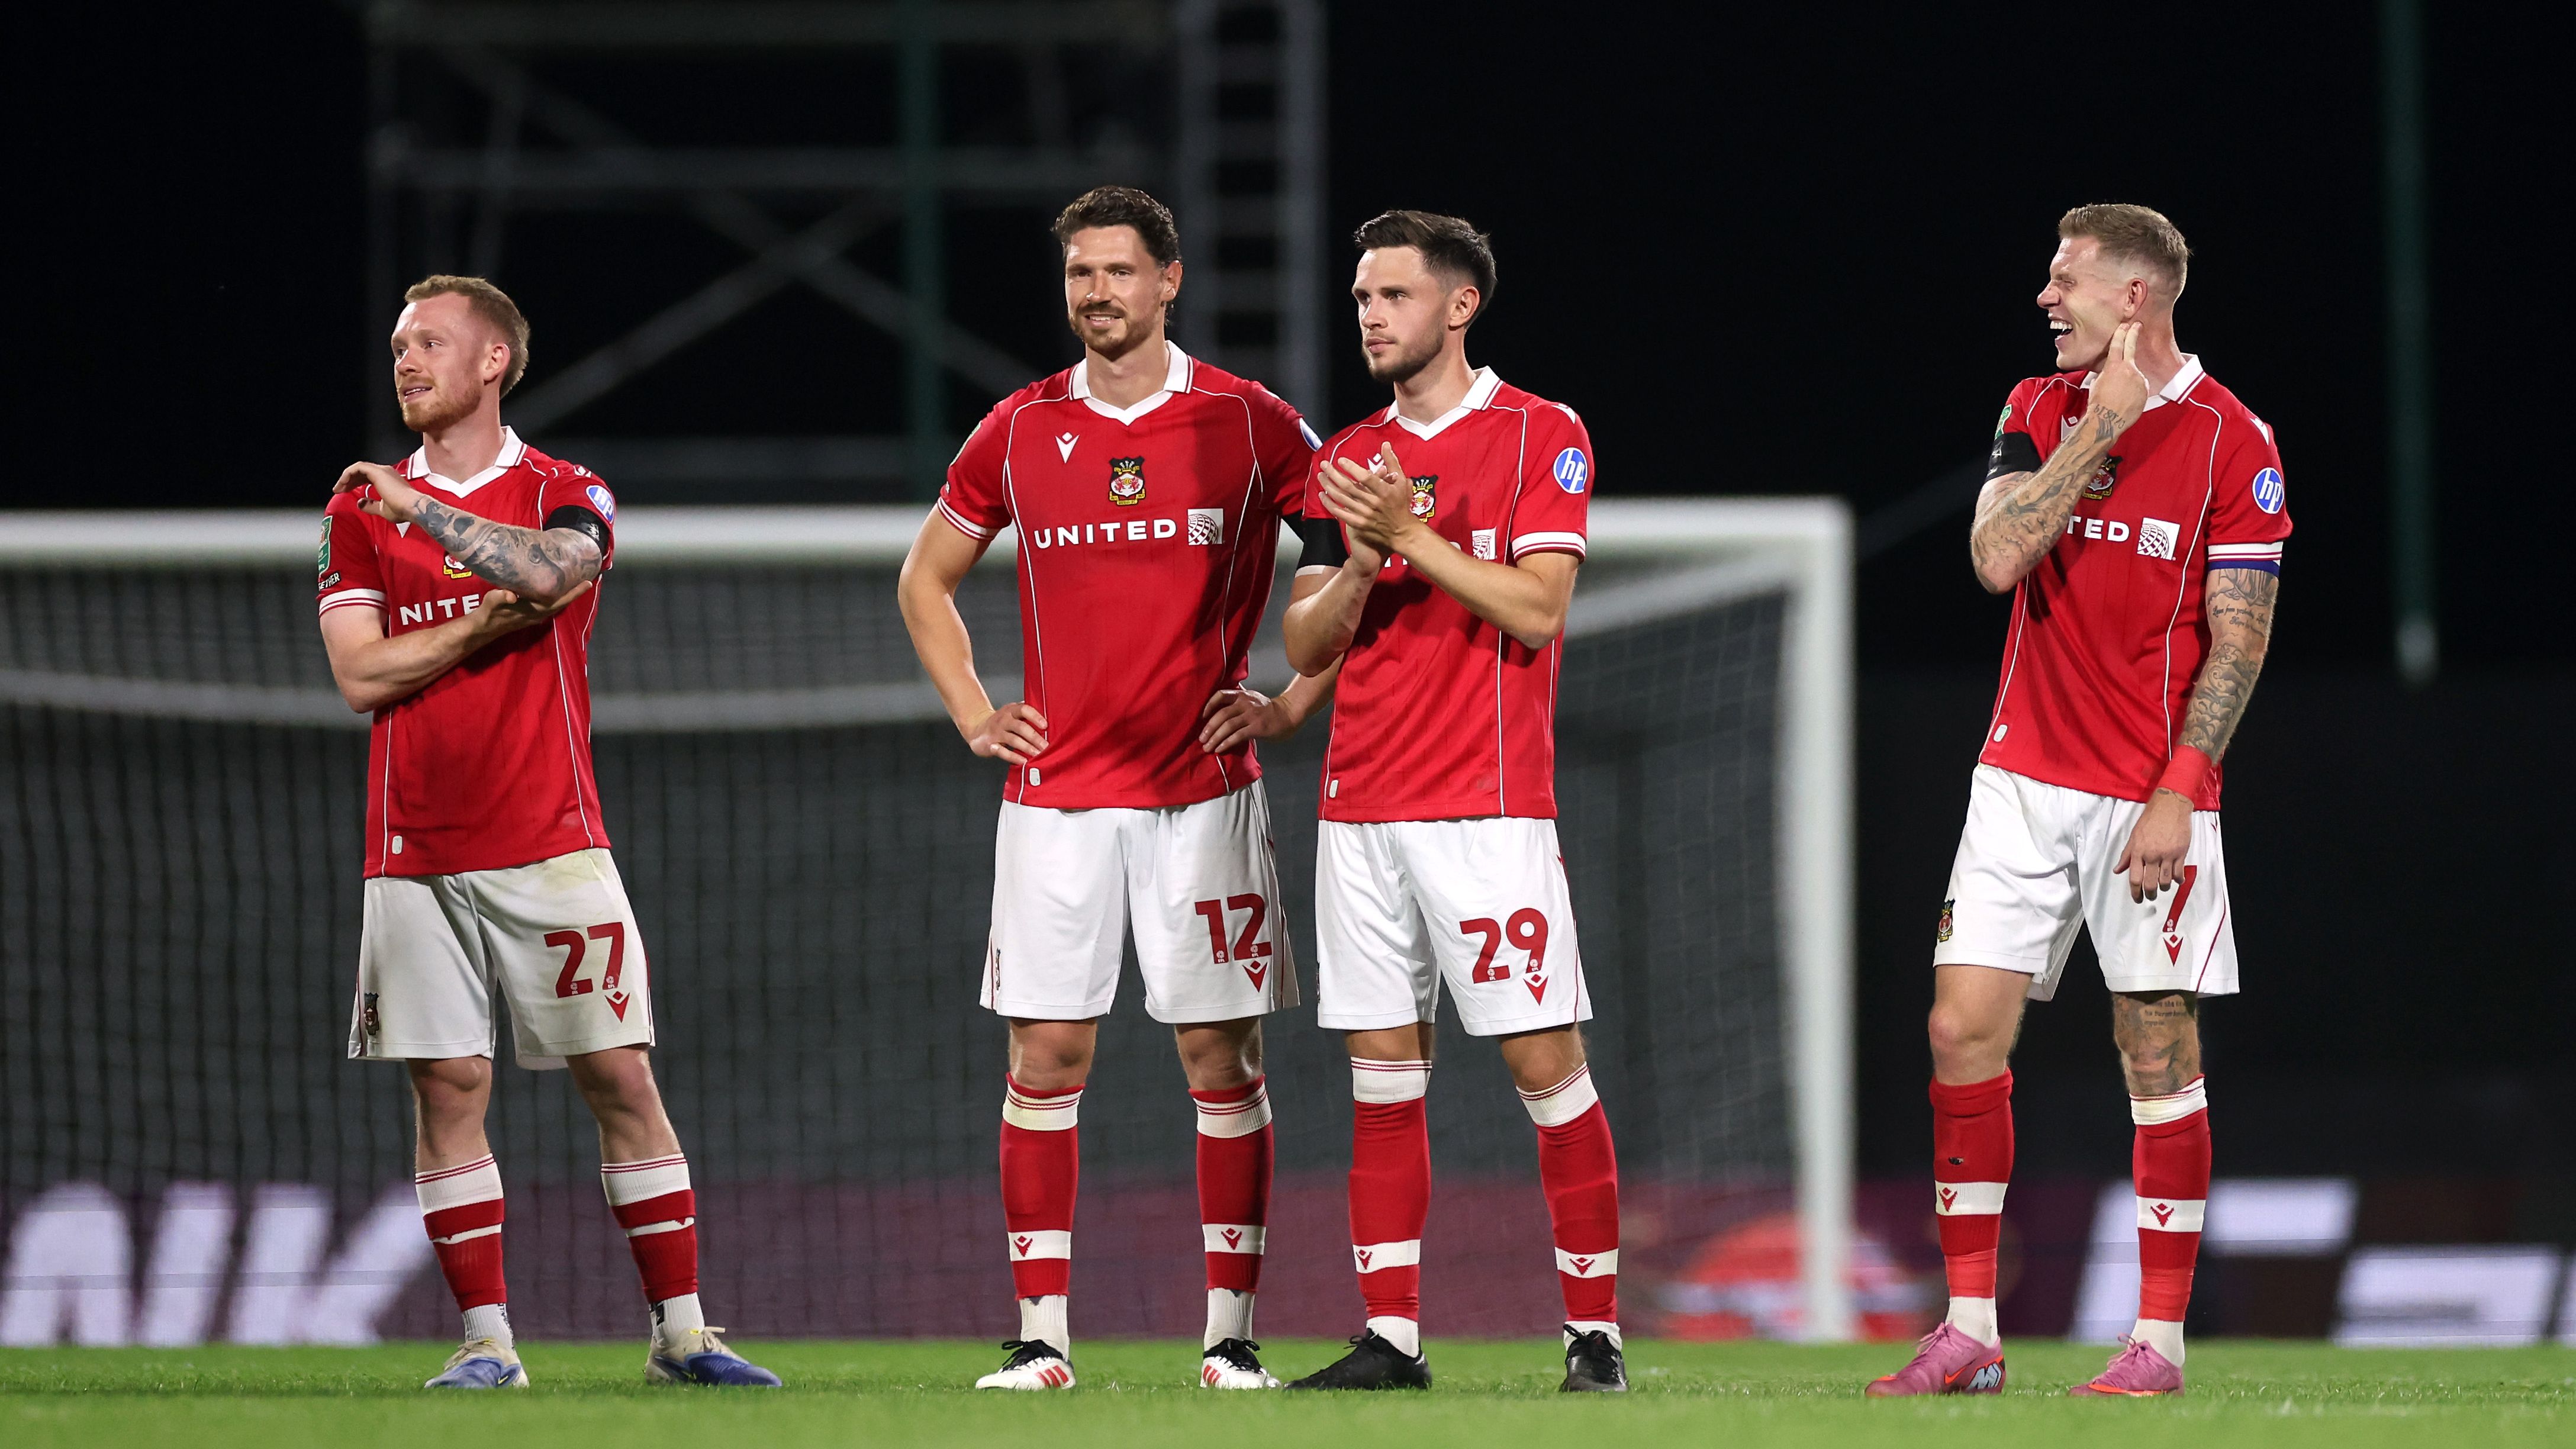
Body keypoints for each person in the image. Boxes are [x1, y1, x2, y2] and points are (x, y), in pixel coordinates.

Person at [895, 186, 1331, 1392]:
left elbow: (1352, 561)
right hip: (1056, 801)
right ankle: (1042, 1339)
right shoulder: (1019, 426)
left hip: (1206, 795)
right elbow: (924, 580)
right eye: (1080, 273)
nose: (1096, 293)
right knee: (1044, 1054)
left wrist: (1293, 700)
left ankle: (1230, 1338)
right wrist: (975, 711)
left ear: (1169, 281)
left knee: (1219, 1056)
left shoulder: (1249, 420)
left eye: (1119, 271)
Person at [318, 276, 779, 1389]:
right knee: (447, 1086)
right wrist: (481, 625)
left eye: (432, 343)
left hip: (553, 839)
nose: (406, 360)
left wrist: (422, 513)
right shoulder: (353, 514)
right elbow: (361, 675)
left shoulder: (566, 490)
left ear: (493, 362)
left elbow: (550, 569)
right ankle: (488, 1344)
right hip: (413, 849)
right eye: (399, 344)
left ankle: (683, 1337)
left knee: (618, 1074)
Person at [1869, 204, 2289, 1399]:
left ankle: (2157, 1343)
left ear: (2134, 297)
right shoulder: (2035, 407)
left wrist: (2181, 793)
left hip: (2148, 794)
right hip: (2018, 780)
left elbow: (2239, 642)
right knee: (1958, 1031)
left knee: (2154, 1047)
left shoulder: (2235, 442)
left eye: (2066, 281)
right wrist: (2095, 433)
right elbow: (1996, 558)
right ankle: (1970, 1331)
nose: (2046, 300)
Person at [1280, 211, 1624, 1393]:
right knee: (1381, 1075)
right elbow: (1305, 641)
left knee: (1546, 1067)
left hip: (1485, 808)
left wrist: (1409, 535)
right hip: (1359, 807)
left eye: (1394, 295)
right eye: (1361, 298)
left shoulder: (1540, 432)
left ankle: (1593, 1337)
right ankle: (1392, 1339)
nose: (1370, 316)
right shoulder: (1348, 455)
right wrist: (1362, 558)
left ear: (1460, 305)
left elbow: (1537, 609)